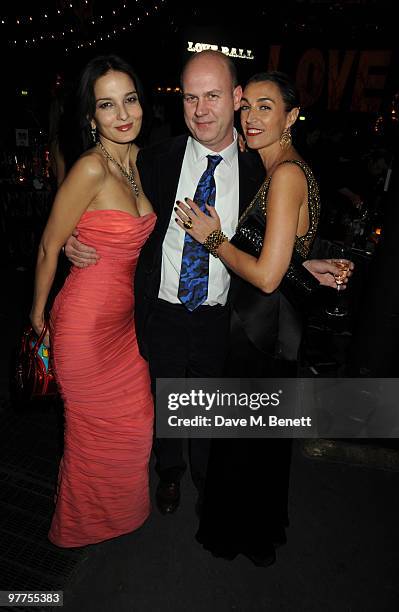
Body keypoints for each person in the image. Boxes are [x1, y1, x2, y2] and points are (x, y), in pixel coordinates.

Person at [65, 51, 351, 518]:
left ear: (237, 98)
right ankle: (170, 474)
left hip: (226, 317)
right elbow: (104, 210)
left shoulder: (262, 167)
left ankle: (206, 481)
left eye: (213, 96)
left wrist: (308, 263)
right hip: (163, 309)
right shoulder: (154, 160)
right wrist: (71, 242)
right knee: (165, 404)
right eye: (191, 98)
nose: (201, 110)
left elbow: (270, 243)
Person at [174, 71, 339, 566]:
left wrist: (213, 240)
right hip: (272, 327)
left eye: (267, 107)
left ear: (291, 117)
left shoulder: (285, 175)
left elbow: (266, 275)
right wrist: (306, 266)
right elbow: (282, 257)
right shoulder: (283, 169)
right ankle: (255, 532)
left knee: (245, 441)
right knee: (256, 439)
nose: (251, 117)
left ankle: (239, 534)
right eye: (249, 106)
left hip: (261, 329)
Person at [30, 55, 156, 547]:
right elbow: (47, 244)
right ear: (91, 115)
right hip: (82, 327)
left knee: (136, 426)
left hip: (125, 330)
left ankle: (114, 516)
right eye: (107, 104)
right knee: (88, 438)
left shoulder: (143, 162)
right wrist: (37, 317)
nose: (122, 113)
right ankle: (79, 528)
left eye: (130, 99)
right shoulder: (89, 168)